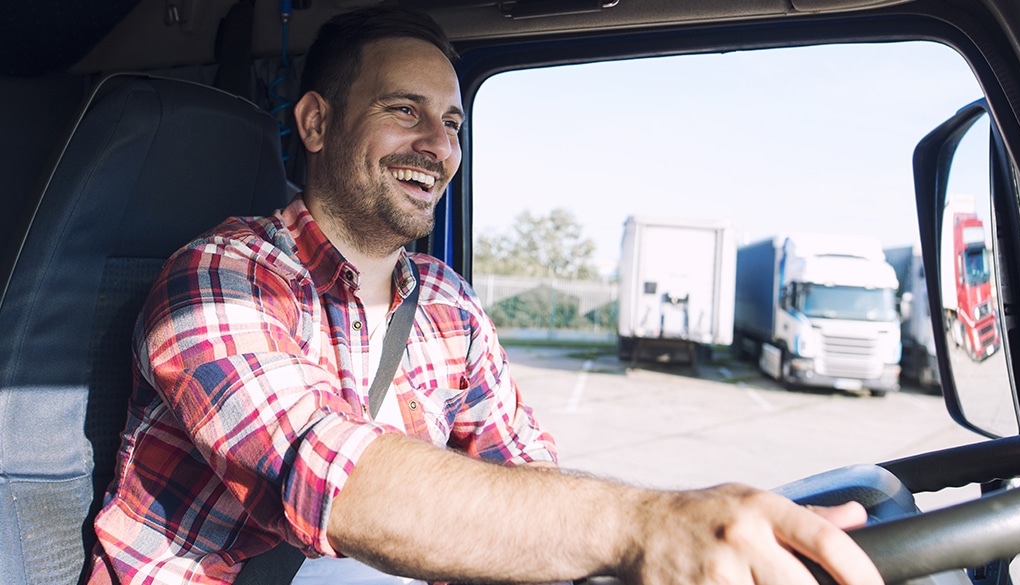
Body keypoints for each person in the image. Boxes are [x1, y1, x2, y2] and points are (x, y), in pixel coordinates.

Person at [86, 5, 882, 585]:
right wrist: (641, 524)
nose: (437, 145)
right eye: (405, 111)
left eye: (454, 123)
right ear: (318, 122)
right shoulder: (219, 276)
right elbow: (325, 475)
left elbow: (525, 475)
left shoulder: (446, 303)